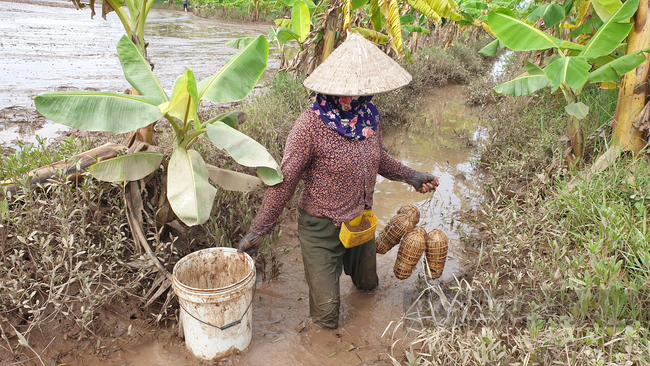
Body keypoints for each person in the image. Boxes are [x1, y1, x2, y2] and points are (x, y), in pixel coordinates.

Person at [237, 34, 439, 330]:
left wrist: (411, 176)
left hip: (360, 220)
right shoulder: (309, 126)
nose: (356, 98)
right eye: (350, 92)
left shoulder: (369, 117)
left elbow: (378, 157)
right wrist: (258, 231)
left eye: (362, 91)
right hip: (322, 228)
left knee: (369, 287)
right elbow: (285, 182)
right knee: (327, 318)